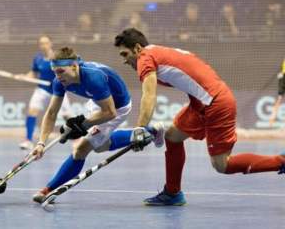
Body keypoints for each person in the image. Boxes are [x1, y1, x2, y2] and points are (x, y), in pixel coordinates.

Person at [114, 28, 285, 206]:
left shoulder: (145, 58)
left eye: (125, 54)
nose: (124, 60)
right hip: (201, 102)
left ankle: (281, 161)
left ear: (138, 48)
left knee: (222, 165)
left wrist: (139, 129)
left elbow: (149, 96)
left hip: (216, 103)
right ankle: (172, 193)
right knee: (172, 136)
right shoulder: (157, 52)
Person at [30, 47, 164, 203]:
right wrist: (41, 143)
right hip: (97, 101)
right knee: (99, 146)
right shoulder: (60, 81)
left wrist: (83, 125)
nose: (57, 76)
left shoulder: (93, 78)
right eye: (54, 72)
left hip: (118, 107)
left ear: (74, 66)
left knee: (80, 149)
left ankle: (48, 190)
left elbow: (110, 112)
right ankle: (150, 131)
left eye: (60, 71)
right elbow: (51, 113)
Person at [18, 36, 72, 149]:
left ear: (50, 43)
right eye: (41, 43)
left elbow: (66, 72)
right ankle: (28, 140)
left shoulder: (57, 58)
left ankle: (79, 139)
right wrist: (24, 76)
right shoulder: (37, 58)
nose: (44, 45)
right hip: (42, 89)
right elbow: (33, 73)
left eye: (46, 43)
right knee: (32, 111)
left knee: (67, 116)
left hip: (58, 90)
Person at [269, 58, 285, 127]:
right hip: (283, 77)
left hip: (282, 76)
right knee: (279, 98)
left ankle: (272, 118)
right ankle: (272, 118)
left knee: (279, 98)